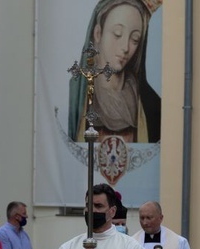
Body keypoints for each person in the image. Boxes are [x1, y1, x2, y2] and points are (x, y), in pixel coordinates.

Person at [69, 0, 162, 144]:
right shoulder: (77, 93)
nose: (125, 47)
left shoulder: (148, 104)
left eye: (135, 39)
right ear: (98, 33)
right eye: (118, 34)